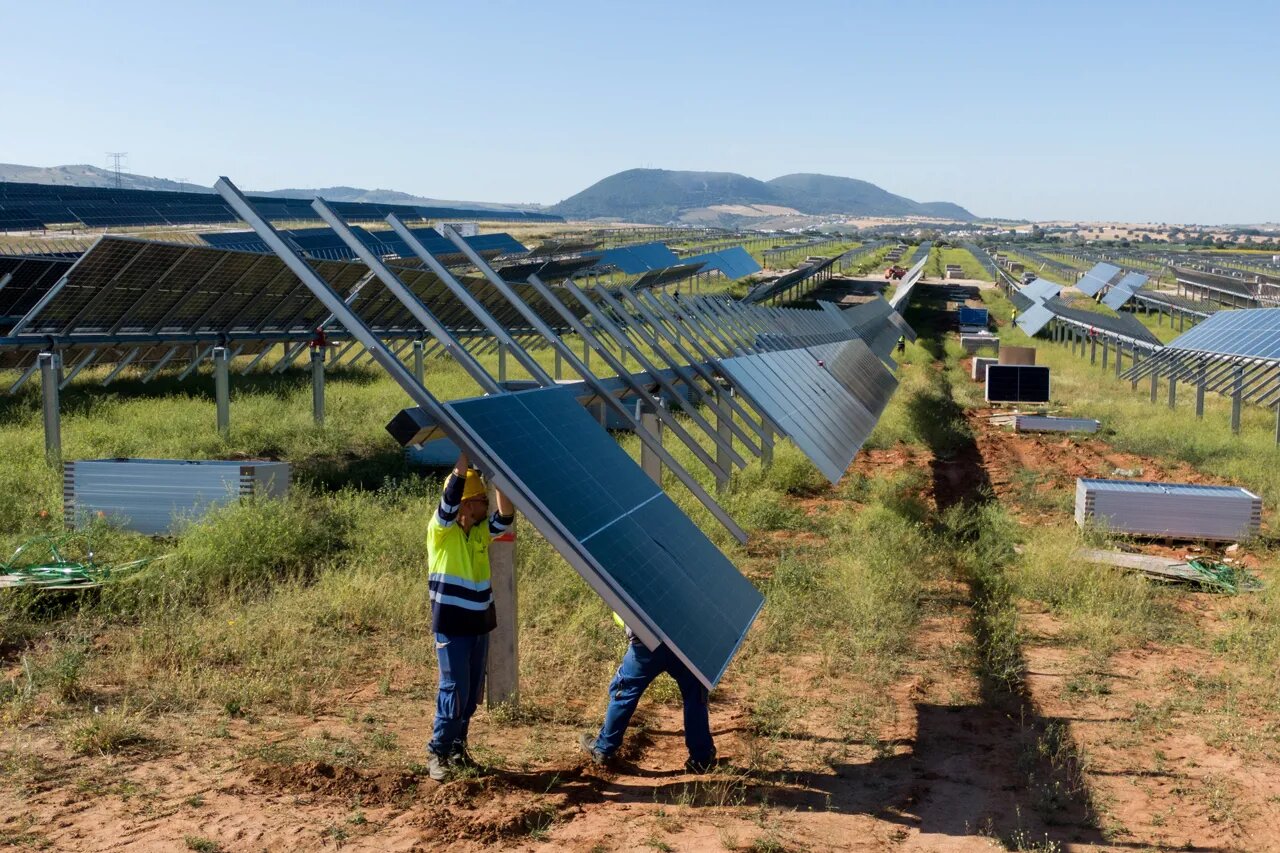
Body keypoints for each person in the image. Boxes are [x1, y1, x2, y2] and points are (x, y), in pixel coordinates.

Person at [426, 451, 514, 781]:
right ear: (465, 505)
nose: (485, 505)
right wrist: (464, 452)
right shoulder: (441, 531)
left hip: (479, 625)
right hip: (453, 626)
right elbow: (450, 496)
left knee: (472, 691)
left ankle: (457, 749)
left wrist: (498, 475)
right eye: (479, 500)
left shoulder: (478, 533)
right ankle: (438, 751)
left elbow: (506, 515)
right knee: (455, 690)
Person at [579, 616, 717, 774]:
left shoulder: (633, 589)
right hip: (683, 641)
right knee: (694, 694)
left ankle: (604, 749)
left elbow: (622, 611)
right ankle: (701, 757)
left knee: (624, 692)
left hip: (645, 643)